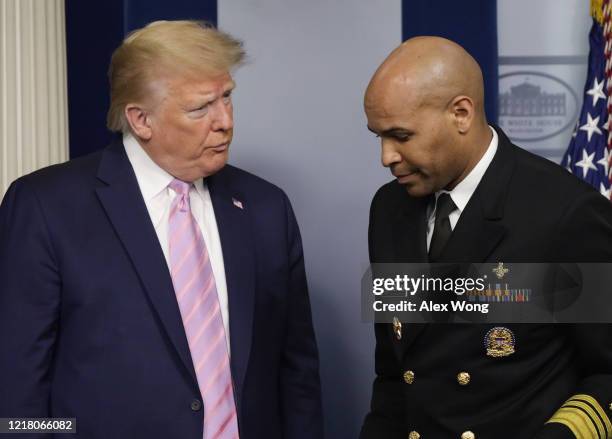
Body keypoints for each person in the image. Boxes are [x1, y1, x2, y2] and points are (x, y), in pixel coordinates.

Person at [0, 20, 322, 439]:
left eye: (227, 98)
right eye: (200, 108)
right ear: (141, 120)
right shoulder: (46, 206)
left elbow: (296, 372)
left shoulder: (265, 207)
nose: (224, 121)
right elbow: (18, 384)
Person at [360, 36, 612, 439]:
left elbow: (607, 370)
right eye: (379, 137)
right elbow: (394, 374)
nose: (386, 156)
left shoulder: (564, 213)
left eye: (401, 136)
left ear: (461, 113)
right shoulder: (389, 210)